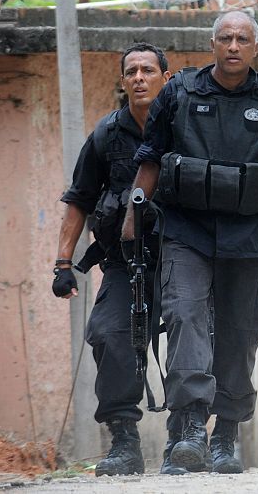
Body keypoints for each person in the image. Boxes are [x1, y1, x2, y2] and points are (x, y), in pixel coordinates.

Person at [121, 9, 258, 475]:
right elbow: (150, 158)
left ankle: (225, 433)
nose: (232, 46)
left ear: (255, 48)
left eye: (242, 39)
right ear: (213, 45)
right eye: (225, 37)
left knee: (239, 330)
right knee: (184, 314)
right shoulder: (179, 94)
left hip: (246, 234)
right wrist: (132, 220)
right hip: (185, 229)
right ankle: (189, 429)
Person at [52, 42, 172, 476]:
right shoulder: (107, 134)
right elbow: (79, 199)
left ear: (166, 77)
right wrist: (63, 264)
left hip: (184, 255)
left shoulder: (186, 127)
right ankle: (124, 441)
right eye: (131, 72)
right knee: (107, 332)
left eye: (148, 70)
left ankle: (190, 436)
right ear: (123, 82)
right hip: (126, 260)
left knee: (197, 333)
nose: (139, 78)